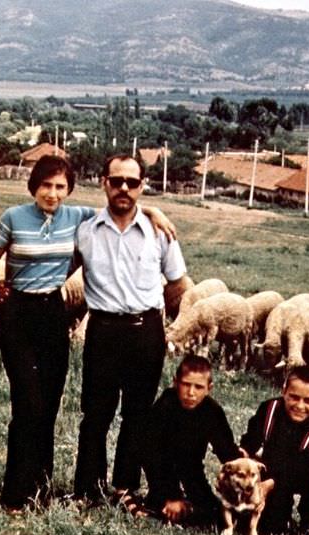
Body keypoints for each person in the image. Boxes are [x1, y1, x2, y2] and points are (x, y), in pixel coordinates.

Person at [0, 154, 176, 514]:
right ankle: (21, 491)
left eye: (60, 186)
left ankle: (48, 486)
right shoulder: (31, 220)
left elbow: (125, 211)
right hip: (28, 316)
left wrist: (151, 212)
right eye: (46, 185)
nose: (52, 193)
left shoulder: (83, 219)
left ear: (69, 189)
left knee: (57, 405)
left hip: (60, 316)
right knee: (35, 403)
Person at [73, 153, 187, 507]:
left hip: (146, 330)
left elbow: (177, 282)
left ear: (143, 186)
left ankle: (125, 486)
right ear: (103, 182)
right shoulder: (85, 231)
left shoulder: (160, 233)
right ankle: (87, 489)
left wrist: (170, 326)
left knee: (138, 413)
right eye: (117, 180)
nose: (124, 188)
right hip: (103, 330)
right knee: (96, 413)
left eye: (132, 182)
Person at [142, 354, 241, 525]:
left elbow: (226, 451)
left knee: (216, 516)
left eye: (198, 387)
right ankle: (161, 503)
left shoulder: (213, 411)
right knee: (171, 511)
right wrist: (171, 496)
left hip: (192, 469)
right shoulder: (165, 406)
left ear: (209, 388)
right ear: (175, 382)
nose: (191, 393)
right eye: (186, 385)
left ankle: (191, 507)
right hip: (163, 468)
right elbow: (151, 454)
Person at [239, 365, 309, 535]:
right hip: (269, 466)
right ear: (284, 391)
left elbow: (299, 462)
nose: (300, 405)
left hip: (301, 471)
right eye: (294, 397)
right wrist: (241, 455)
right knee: (272, 528)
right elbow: (251, 440)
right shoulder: (269, 409)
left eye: (308, 400)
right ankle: (275, 512)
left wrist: (268, 485)